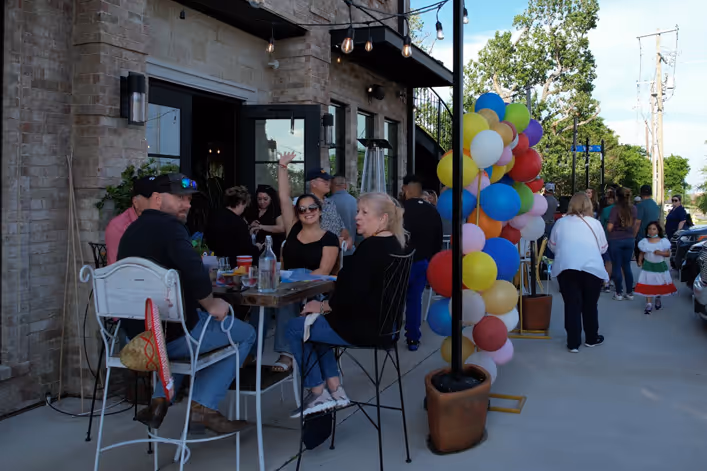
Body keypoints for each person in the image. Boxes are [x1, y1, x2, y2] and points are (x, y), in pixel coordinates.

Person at [118, 173, 256, 434]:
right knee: (244, 334)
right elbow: (194, 270)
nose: (187, 204)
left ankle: (160, 400)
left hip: (140, 338)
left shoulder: (131, 231)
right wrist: (212, 304)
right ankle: (203, 407)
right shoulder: (170, 227)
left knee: (193, 331)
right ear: (157, 199)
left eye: (189, 199)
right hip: (170, 338)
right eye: (180, 198)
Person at [286, 192, 405, 416]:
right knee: (314, 328)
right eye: (358, 211)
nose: (357, 217)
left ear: (382, 219)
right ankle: (335, 390)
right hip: (386, 327)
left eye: (364, 212)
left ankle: (318, 393)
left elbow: (348, 296)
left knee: (294, 327)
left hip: (363, 328)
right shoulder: (395, 244)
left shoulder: (370, 248)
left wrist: (320, 307)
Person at [254, 152, 339, 374]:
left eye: (312, 208)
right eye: (302, 209)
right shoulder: (293, 229)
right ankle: (250, 355)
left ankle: (286, 354)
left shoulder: (329, 238)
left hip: (314, 288)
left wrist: (298, 284)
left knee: (286, 299)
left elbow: (324, 271)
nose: (307, 212)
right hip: (286, 284)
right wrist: (282, 167)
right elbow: (283, 197)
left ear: (319, 211)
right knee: (258, 306)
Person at [548, 193, 608, 353]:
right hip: (592, 269)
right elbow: (603, 248)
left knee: (571, 305)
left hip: (567, 268)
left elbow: (552, 246)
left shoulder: (560, 223)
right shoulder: (595, 223)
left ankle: (573, 343)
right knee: (590, 305)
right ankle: (591, 338)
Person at [401, 175, 443, 351]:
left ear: (405, 189)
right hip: (421, 262)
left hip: (399, 262)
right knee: (415, 300)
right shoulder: (432, 210)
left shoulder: (398, 209)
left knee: (395, 301)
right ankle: (413, 338)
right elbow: (438, 239)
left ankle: (391, 335)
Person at [204, 186, 260, 267]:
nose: (244, 209)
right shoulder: (239, 222)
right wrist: (257, 248)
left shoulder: (213, 216)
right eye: (245, 206)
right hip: (233, 267)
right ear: (241, 202)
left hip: (214, 263)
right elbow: (247, 251)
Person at [302, 164, 352, 250]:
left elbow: (342, 228)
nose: (327, 183)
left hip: (335, 253)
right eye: (324, 180)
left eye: (328, 180)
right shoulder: (306, 204)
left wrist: (347, 240)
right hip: (316, 254)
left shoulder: (330, 202)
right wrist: (336, 241)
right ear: (313, 183)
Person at [105, 178, 151, 265]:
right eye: (150, 198)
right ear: (136, 202)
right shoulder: (118, 226)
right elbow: (116, 268)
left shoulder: (162, 220)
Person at [635, 221, 677, 315]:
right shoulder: (644, 242)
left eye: (654, 229)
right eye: (649, 229)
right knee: (647, 283)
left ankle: (658, 297)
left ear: (658, 230)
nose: (651, 231)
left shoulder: (663, 241)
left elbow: (668, 253)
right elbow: (642, 252)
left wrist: (660, 253)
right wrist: (639, 260)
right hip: (648, 266)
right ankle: (649, 303)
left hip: (659, 266)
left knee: (659, 283)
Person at [607, 187, 638, 301]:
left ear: (617, 197)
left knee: (617, 266)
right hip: (629, 239)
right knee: (627, 266)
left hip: (615, 240)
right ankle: (629, 292)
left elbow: (610, 227)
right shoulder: (634, 209)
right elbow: (634, 225)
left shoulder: (615, 209)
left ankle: (618, 292)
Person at [246, 185, 285, 254]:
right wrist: (250, 226)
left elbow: (281, 228)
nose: (262, 202)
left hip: (272, 248)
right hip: (254, 247)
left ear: (271, 198)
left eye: (265, 199)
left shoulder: (276, 210)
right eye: (259, 199)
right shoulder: (251, 210)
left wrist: (261, 227)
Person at [328, 175, 358, 256]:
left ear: (332, 185)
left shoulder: (328, 203)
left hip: (334, 252)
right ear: (345, 185)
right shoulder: (355, 202)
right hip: (351, 249)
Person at [635, 184, 660, 260]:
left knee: (642, 261)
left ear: (641, 193)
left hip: (642, 237)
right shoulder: (655, 205)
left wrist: (633, 236)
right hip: (653, 237)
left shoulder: (640, 205)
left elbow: (637, 223)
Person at [598, 188, 616, 292]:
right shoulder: (625, 209)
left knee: (607, 261)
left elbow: (601, 224)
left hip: (607, 237)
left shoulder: (606, 210)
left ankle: (606, 282)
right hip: (622, 238)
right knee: (619, 262)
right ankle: (618, 283)